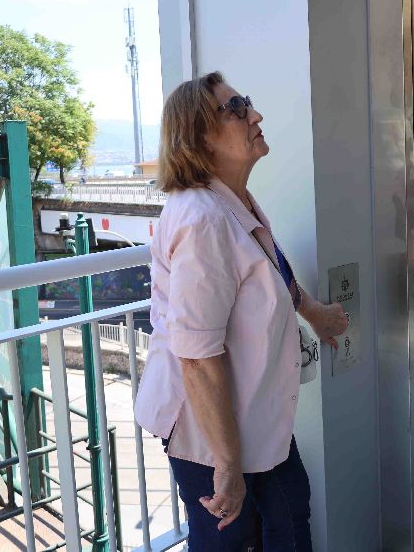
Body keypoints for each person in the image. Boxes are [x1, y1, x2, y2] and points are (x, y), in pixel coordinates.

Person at [134, 72, 348, 551]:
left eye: (246, 103)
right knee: (238, 540)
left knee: (290, 519)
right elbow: (195, 355)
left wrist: (314, 313)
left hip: (251, 416)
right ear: (200, 137)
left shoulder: (231, 201)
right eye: (236, 108)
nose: (255, 115)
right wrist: (227, 467)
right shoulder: (203, 220)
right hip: (208, 432)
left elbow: (268, 267)